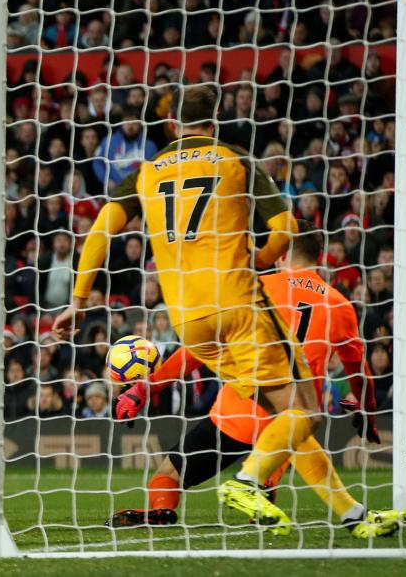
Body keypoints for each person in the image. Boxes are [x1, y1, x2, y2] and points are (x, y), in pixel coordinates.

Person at [53, 85, 329, 534]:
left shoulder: (147, 172)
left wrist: (79, 302)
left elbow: (100, 231)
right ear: (216, 118)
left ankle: (176, 503)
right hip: (247, 319)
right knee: (296, 413)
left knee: (172, 466)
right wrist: (255, 263)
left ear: (171, 124)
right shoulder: (235, 159)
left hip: (195, 324)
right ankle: (266, 487)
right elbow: (283, 231)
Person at [109, 221, 404, 538]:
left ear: (282, 253)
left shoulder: (254, 289)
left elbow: (199, 349)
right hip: (291, 419)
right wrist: (366, 411)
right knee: (290, 446)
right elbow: (359, 372)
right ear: (318, 256)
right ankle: (284, 497)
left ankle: (162, 509)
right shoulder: (340, 305)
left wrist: (144, 388)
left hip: (236, 412)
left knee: (167, 475)